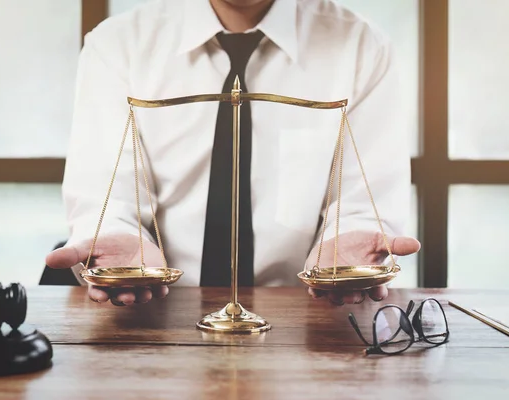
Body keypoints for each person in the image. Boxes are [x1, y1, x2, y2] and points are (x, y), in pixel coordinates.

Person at [45, 0, 421, 307]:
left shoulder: (361, 46)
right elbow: (106, 194)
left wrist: (348, 244)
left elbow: (361, 201)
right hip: (153, 312)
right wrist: (115, 236)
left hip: (303, 316)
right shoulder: (118, 44)